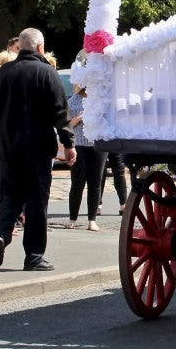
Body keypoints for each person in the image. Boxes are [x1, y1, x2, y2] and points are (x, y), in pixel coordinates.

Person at [0, 27, 76, 271]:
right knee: (36, 202)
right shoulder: (47, 72)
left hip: (8, 148)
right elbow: (60, 111)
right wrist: (68, 144)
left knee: (12, 196)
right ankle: (34, 256)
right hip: (37, 148)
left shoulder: (3, 73)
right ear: (39, 47)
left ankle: (2, 234)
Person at [65, 65, 103, 232]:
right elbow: (67, 125)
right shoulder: (73, 100)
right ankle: (73, 218)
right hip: (79, 144)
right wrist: (80, 117)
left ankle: (92, 220)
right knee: (77, 182)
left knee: (95, 182)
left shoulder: (101, 99)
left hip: (97, 145)